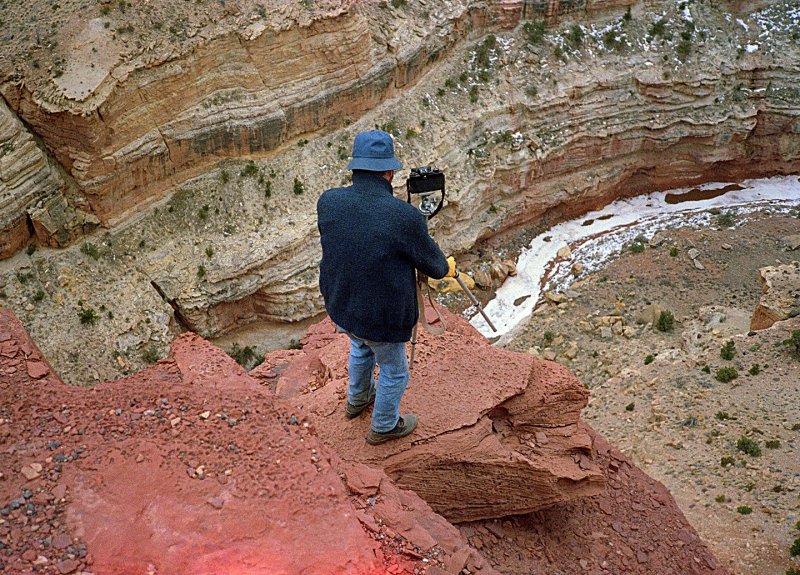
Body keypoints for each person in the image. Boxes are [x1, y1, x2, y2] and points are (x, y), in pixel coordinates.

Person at [317, 129, 454, 445]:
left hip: (341, 306)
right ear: (390, 172)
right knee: (394, 370)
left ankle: (357, 399)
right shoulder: (404, 218)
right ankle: (384, 426)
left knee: (359, 346)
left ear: (355, 167)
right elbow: (437, 267)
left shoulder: (329, 201)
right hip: (382, 319)